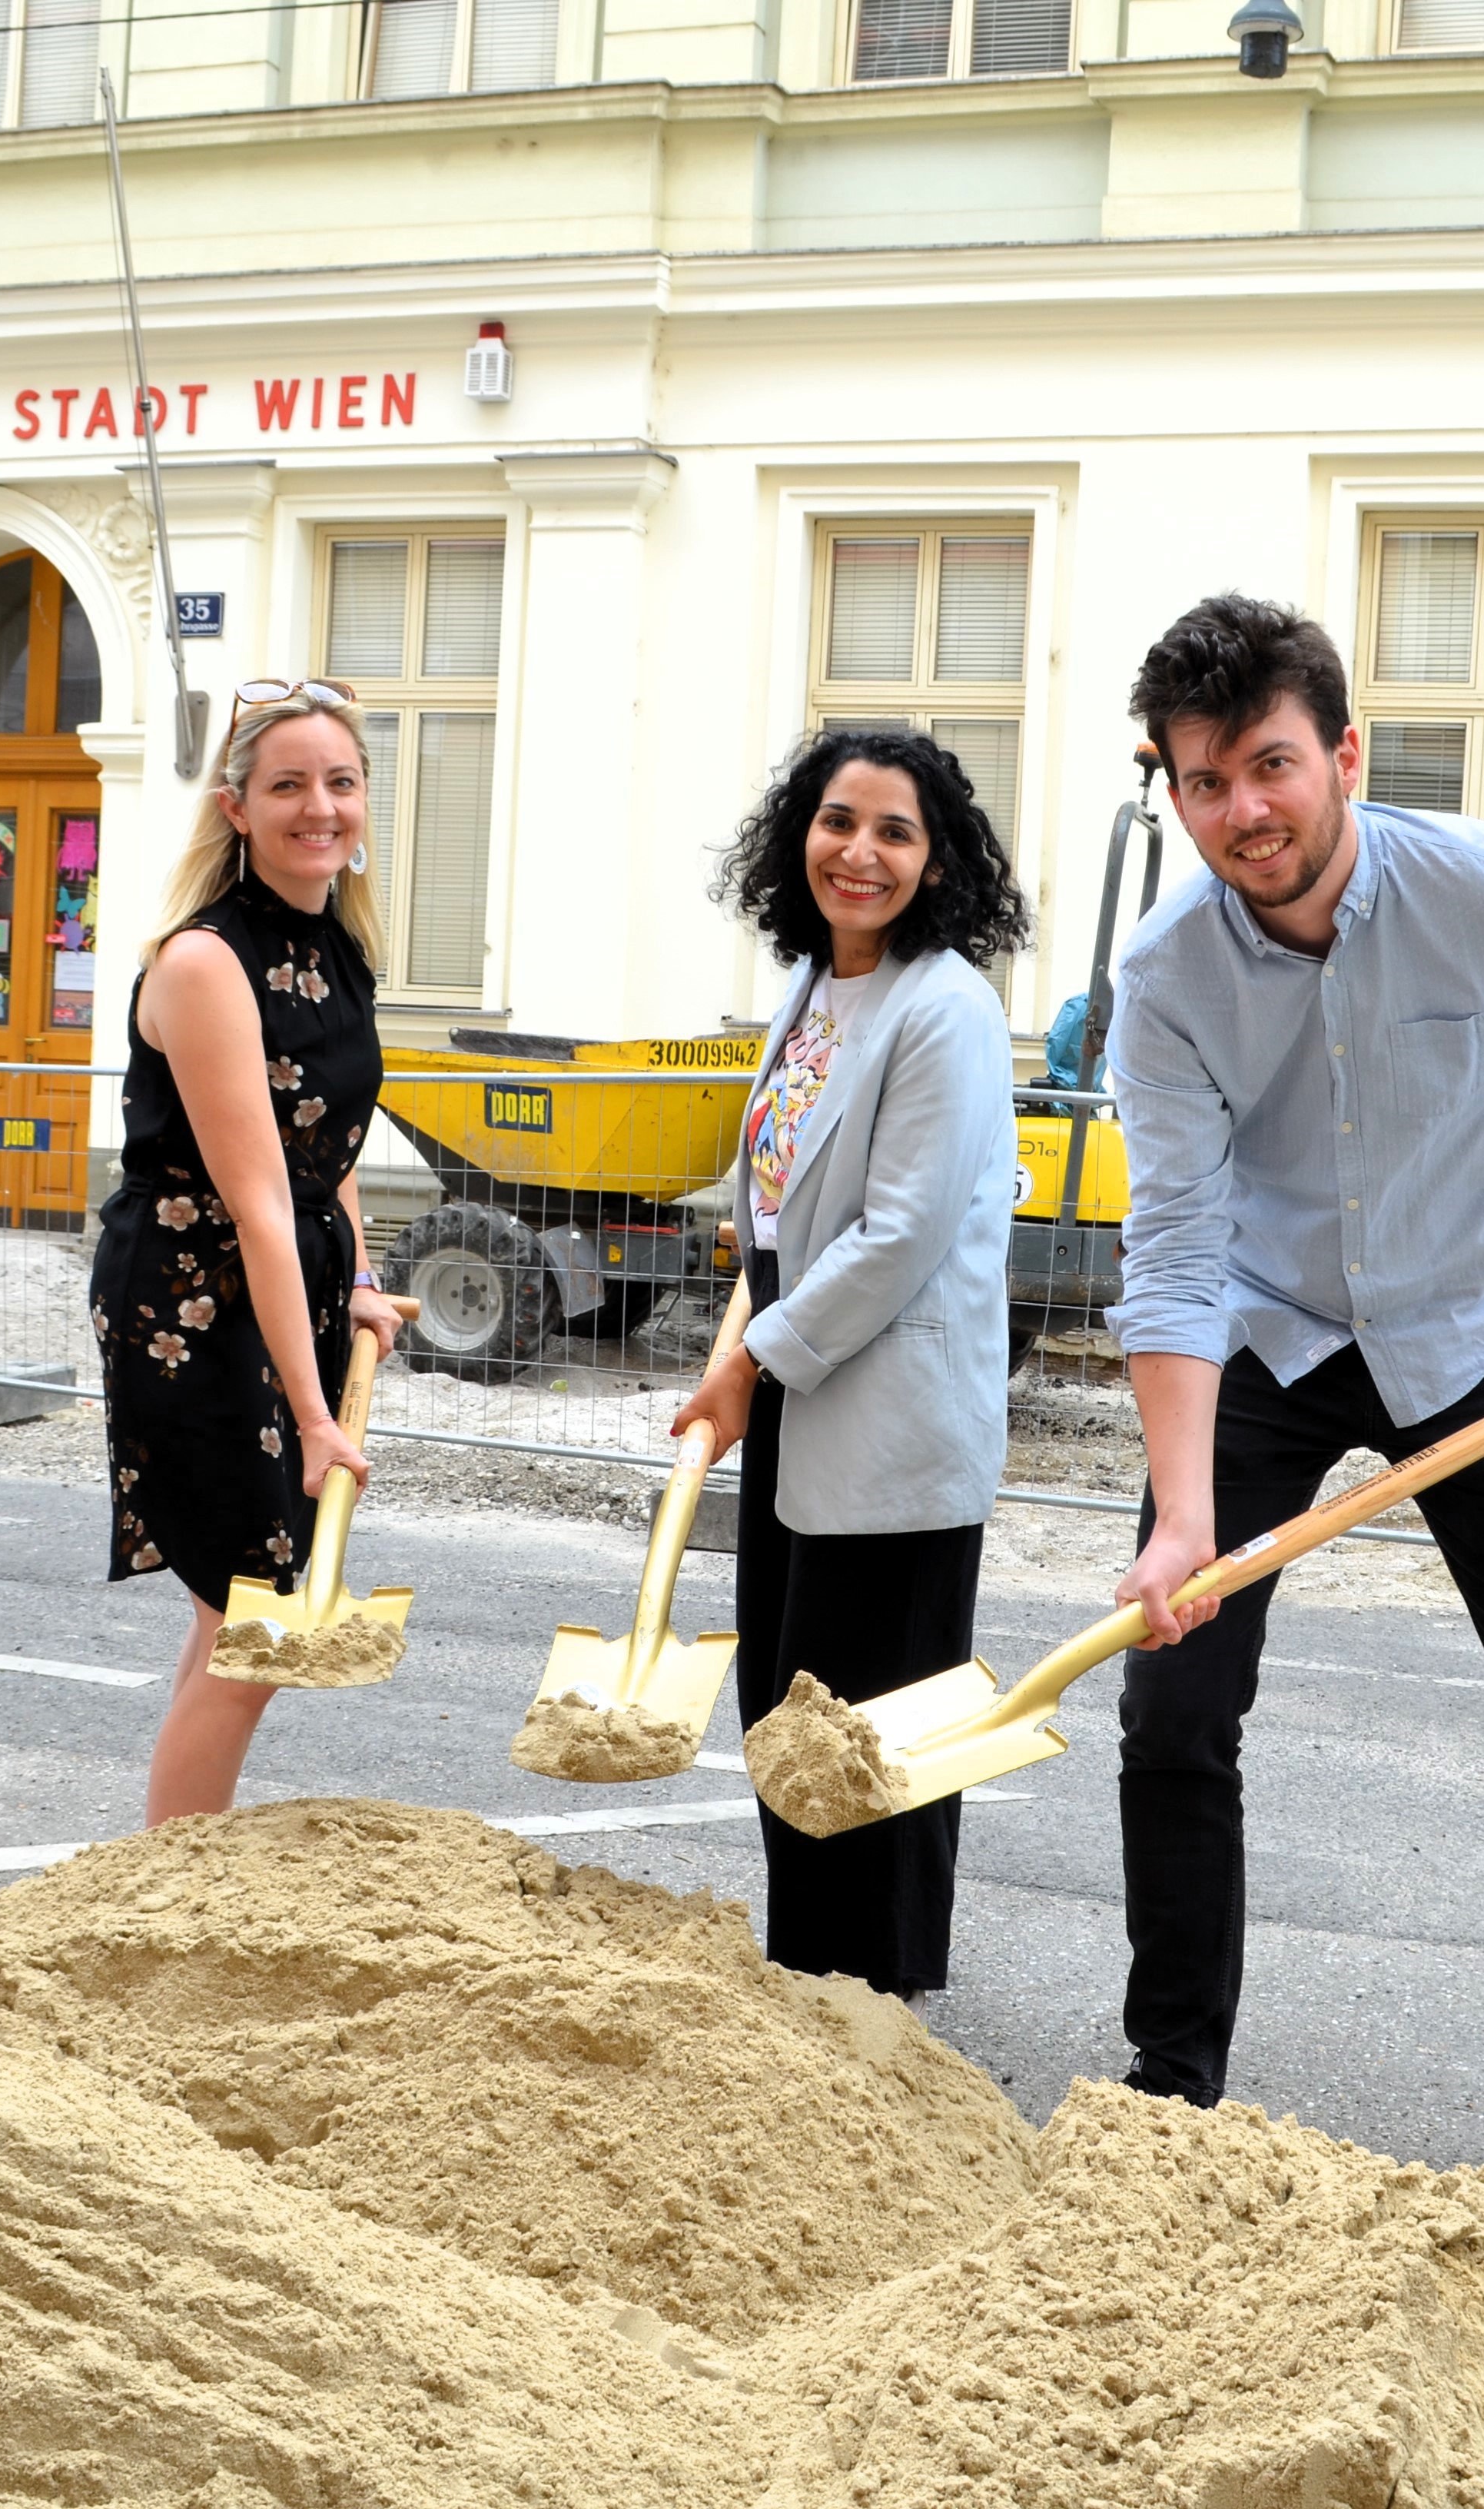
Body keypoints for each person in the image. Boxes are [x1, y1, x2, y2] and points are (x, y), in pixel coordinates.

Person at [1100, 593, 1484, 2230]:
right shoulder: (1162, 980)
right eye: (1202, 780)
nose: (1244, 810)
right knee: (1173, 1705)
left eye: (1270, 764)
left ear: (1342, 755)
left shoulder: (1482, 888)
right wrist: (1181, 1518)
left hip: (1472, 1336)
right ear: (1172, 795)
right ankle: (1171, 2099)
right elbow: (1169, 1251)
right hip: (1273, 1339)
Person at [674, 726, 1032, 1998]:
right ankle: (810, 1984)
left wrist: (749, 1362)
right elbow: (788, 1180)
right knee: (789, 1715)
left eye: (894, 831)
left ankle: (877, 2008)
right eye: (838, 822)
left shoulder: (946, 1008)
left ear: (938, 863)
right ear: (799, 837)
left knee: (875, 1732)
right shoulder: (818, 986)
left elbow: (900, 1233)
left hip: (886, 1419)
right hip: (799, 1400)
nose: (860, 852)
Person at [93, 678, 406, 1826]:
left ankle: (175, 1867)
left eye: (339, 781)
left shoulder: (339, 948)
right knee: (259, 1613)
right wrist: (317, 1415)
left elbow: (329, 1149)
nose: (318, 806)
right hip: (193, 1305)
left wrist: (362, 1282)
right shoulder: (202, 963)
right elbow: (262, 1201)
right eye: (288, 785)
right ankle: (176, 1891)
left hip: (291, 1288)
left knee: (233, 1613)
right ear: (236, 807)